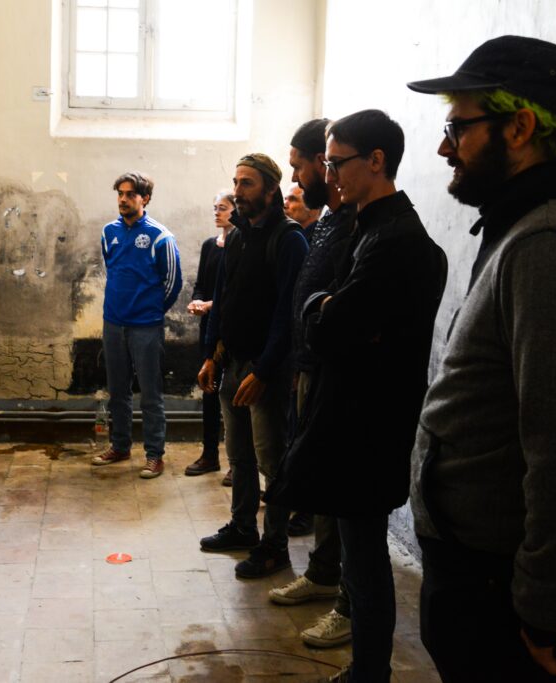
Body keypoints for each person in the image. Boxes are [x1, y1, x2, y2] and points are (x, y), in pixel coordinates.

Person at [405, 36, 556, 683]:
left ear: (518, 127)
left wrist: (543, 610)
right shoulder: (521, 226)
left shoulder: (548, 243)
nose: (444, 147)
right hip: (476, 568)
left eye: (458, 127)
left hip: (498, 586)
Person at [266, 110, 447, 682]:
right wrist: (325, 307)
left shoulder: (395, 239)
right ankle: (366, 670)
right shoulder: (367, 227)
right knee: (359, 555)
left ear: (376, 160)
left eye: (336, 162)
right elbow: (329, 314)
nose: (328, 175)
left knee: (365, 563)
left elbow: (330, 325)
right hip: (353, 409)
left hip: (369, 420)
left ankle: (369, 673)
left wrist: (322, 308)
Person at [267, 118, 357, 648]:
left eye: (300, 167)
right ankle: (323, 572)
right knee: (320, 481)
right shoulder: (327, 223)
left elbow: (340, 310)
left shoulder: (359, 226)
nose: (297, 179)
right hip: (308, 367)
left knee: (338, 485)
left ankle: (348, 598)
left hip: (331, 374)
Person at [197, 153, 308, 579]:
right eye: (236, 182)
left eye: (247, 183)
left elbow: (288, 313)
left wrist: (263, 371)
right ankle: (243, 526)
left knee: (271, 460)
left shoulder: (289, 240)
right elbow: (223, 299)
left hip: (267, 369)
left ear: (270, 189)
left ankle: (275, 545)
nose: (238, 191)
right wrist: (211, 355)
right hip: (234, 360)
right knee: (239, 454)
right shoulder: (238, 237)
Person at [93, 172, 182, 479]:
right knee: (117, 390)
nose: (123, 199)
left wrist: (150, 311)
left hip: (146, 327)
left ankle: (155, 455)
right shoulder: (109, 232)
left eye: (130, 194)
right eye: (120, 193)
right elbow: (112, 269)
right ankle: (120, 446)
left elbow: (173, 282)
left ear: (145, 198)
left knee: (150, 394)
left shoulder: (160, 236)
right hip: (113, 324)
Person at [184, 191, 235, 477]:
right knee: (209, 392)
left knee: (234, 395)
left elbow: (235, 292)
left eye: (223, 208)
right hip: (209, 327)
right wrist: (196, 301)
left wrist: (210, 305)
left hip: (232, 328)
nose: (217, 212)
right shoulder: (209, 245)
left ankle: (237, 462)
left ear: (235, 210)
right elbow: (201, 284)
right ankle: (209, 454)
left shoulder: (242, 245)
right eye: (215, 208)